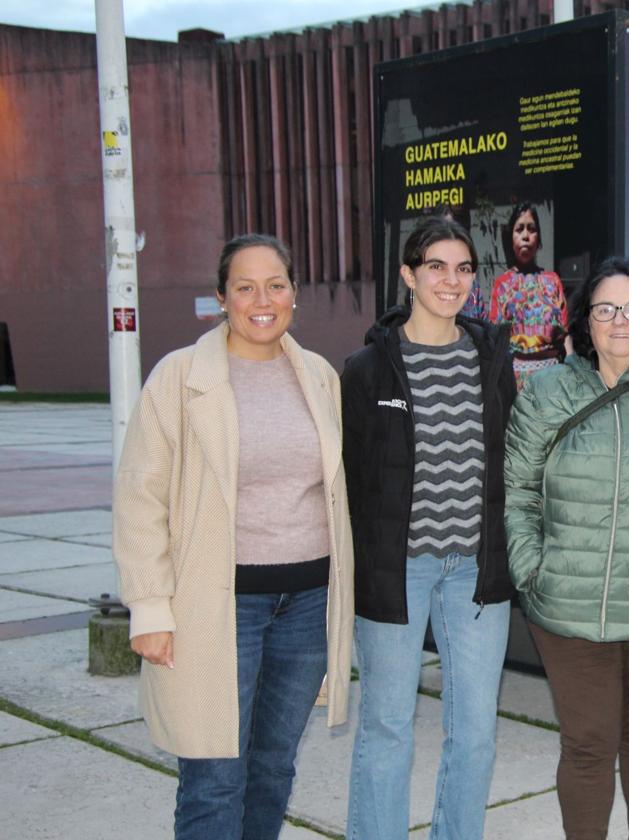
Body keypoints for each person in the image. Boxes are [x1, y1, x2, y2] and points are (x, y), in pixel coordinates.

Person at [112, 233, 354, 840]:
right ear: (223, 298)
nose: (262, 299)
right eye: (245, 287)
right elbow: (140, 496)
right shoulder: (180, 378)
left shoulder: (320, 377)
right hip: (217, 607)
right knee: (215, 775)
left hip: (306, 605)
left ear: (294, 293)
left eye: (275, 284)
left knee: (273, 769)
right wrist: (149, 607)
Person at [504, 258, 629, 840]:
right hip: (567, 606)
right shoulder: (547, 389)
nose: (620, 321)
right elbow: (517, 490)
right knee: (588, 745)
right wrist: (532, 571)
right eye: (605, 308)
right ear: (585, 322)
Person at [342, 216, 517, 839]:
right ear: (408, 275)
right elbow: (350, 477)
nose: (452, 280)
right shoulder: (367, 369)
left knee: (474, 732)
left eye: (464, 268)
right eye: (437, 266)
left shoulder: (493, 360)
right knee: (387, 726)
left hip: (475, 572)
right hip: (397, 572)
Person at [479, 202, 568, 389]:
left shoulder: (552, 281)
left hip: (552, 379)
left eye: (532, 229)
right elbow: (496, 342)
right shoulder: (502, 285)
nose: (526, 236)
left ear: (539, 238)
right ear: (511, 237)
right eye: (519, 229)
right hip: (515, 381)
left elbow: (565, 336)